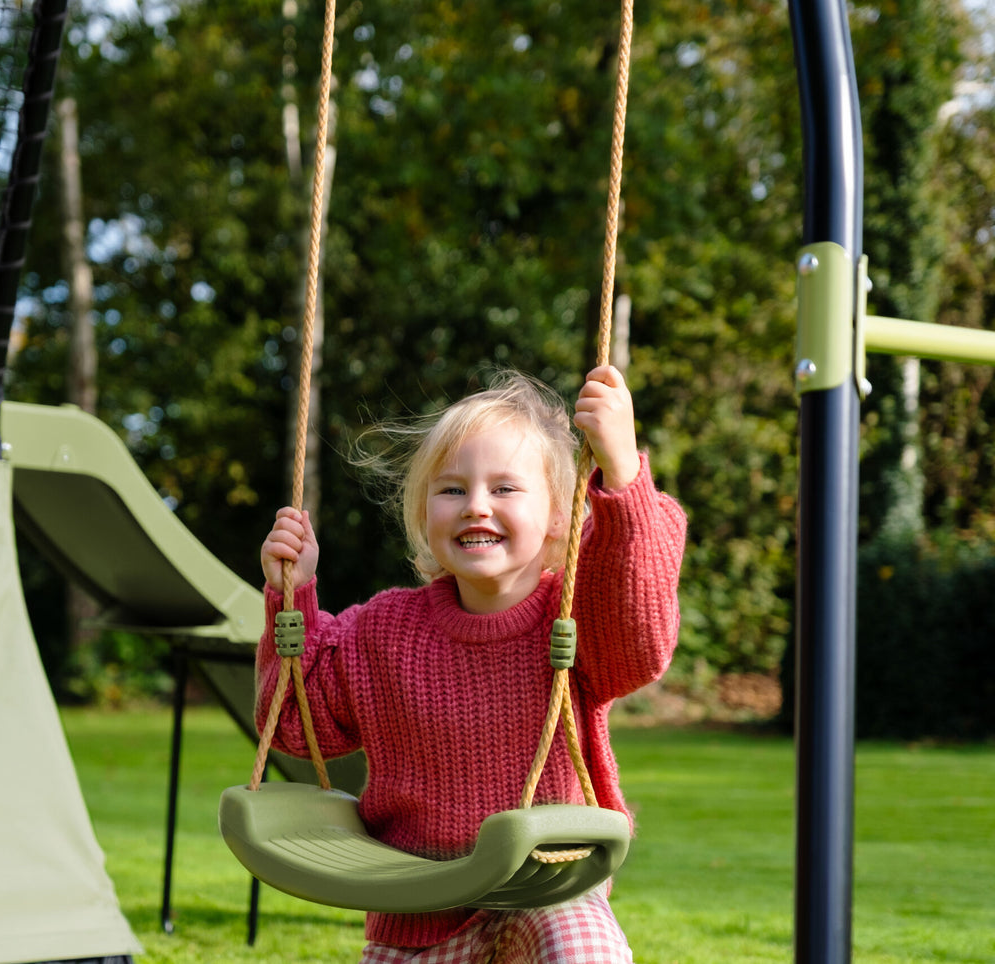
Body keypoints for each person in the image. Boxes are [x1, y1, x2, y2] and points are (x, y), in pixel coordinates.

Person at [257, 366, 687, 963]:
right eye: (452, 489)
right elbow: (297, 728)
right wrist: (291, 597)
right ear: (423, 511)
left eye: (505, 489)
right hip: (419, 900)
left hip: (549, 883)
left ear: (561, 515)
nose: (476, 507)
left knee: (588, 954)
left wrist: (623, 476)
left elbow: (639, 643)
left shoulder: (576, 619)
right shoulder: (384, 630)